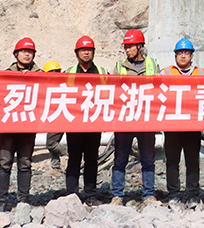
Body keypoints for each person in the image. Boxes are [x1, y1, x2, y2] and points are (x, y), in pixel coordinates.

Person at [111, 29, 162, 207]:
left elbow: (160, 90)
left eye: (130, 46)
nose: (127, 50)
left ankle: (148, 195)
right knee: (120, 159)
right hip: (124, 120)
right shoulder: (119, 67)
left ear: (140, 46)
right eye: (126, 47)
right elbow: (112, 91)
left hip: (146, 120)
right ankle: (117, 195)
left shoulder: (153, 65)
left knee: (148, 159)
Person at [0, 38, 40, 209]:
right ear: (16, 54)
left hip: (28, 126)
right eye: (23, 51)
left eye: (30, 52)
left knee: (25, 163)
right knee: (4, 163)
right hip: (8, 126)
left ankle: (23, 200)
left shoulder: (41, 75)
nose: (26, 54)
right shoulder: (6, 74)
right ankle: (1, 200)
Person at [64, 36, 107, 204]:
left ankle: (90, 195)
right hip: (74, 123)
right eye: (83, 50)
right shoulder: (69, 72)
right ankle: (71, 195)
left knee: (91, 159)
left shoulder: (102, 72)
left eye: (89, 50)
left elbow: (111, 92)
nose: (86, 53)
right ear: (77, 53)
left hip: (94, 122)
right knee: (74, 158)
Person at [165, 38, 204, 207]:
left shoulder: (200, 72)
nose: (183, 56)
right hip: (172, 124)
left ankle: (193, 194)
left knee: (192, 161)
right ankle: (173, 194)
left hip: (193, 124)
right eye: (180, 53)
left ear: (191, 55)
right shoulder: (166, 72)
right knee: (172, 161)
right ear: (175, 55)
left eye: (186, 52)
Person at [42, 62, 68, 174]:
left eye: (56, 72)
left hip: (61, 117)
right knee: (53, 142)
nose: (55, 74)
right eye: (52, 72)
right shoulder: (46, 85)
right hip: (53, 118)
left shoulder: (63, 84)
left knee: (51, 143)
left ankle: (70, 153)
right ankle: (55, 166)